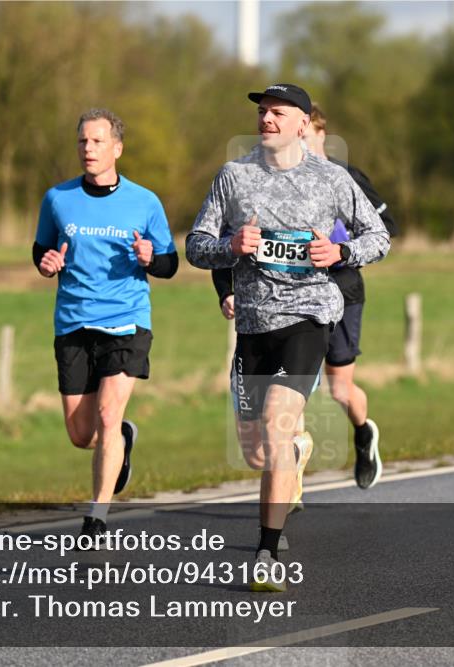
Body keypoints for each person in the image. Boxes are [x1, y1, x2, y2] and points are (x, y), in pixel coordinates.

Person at [186, 84, 389, 591]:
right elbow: (195, 245)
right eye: (261, 111)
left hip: (308, 317)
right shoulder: (234, 177)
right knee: (258, 451)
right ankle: (291, 456)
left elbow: (378, 236)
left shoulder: (332, 180)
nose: (267, 118)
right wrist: (230, 246)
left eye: (278, 112)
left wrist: (339, 255)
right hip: (253, 324)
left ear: (303, 124)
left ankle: (266, 553)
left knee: (277, 428)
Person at [212, 103, 396, 492]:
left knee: (341, 389)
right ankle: (289, 473)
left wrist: (335, 246)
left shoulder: (344, 177)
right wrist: (227, 287)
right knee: (288, 401)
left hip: (342, 291)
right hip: (292, 306)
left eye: (308, 138)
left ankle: (363, 433)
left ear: (317, 133)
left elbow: (384, 229)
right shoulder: (262, 180)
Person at [34, 108, 177, 546]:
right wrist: (46, 263)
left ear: (117, 148)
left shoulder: (144, 201)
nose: (88, 149)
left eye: (97, 142)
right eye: (82, 141)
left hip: (126, 320)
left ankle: (96, 518)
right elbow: (42, 250)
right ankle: (123, 441)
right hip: (74, 323)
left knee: (108, 414)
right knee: (82, 435)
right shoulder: (57, 198)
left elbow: (170, 262)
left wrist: (152, 258)